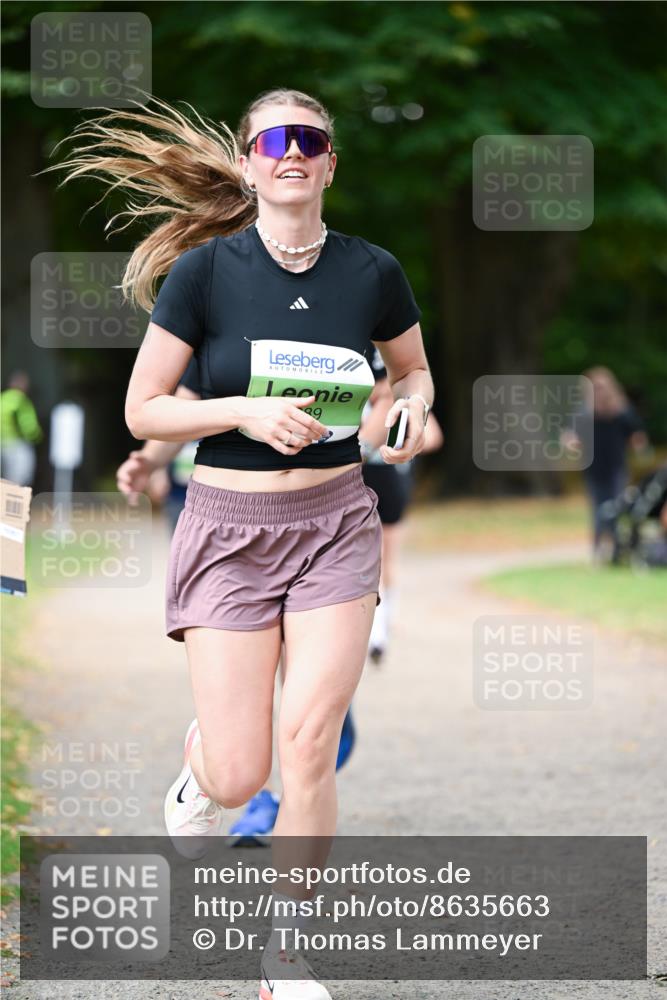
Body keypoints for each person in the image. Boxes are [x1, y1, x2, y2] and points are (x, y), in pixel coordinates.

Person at [53, 89, 434, 999]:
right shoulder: (205, 275)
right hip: (228, 528)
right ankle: (197, 771)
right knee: (239, 772)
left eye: (310, 139)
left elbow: (413, 372)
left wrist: (410, 411)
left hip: (337, 522)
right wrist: (246, 413)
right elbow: (144, 408)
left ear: (330, 162)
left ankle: (285, 958)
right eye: (275, 139)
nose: (292, 153)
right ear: (252, 159)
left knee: (308, 745)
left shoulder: (372, 271)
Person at [116, 358, 357, 848]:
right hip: (222, 513)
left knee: (307, 719)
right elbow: (179, 402)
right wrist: (151, 459)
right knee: (244, 727)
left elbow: (394, 392)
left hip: (332, 520)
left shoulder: (354, 311)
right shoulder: (224, 309)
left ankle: (277, 807)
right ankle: (222, 755)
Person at [360, 348, 444, 662]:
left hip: (387, 479)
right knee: (364, 559)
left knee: (386, 559)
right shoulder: (348, 402)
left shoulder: (400, 402)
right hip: (356, 480)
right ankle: (371, 627)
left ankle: (380, 629)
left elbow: (433, 436)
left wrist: (403, 442)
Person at [561, 366, 648, 563]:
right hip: (593, 469)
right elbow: (568, 435)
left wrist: (639, 446)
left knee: (616, 508)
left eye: (601, 387)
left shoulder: (622, 412)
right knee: (597, 511)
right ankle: (598, 551)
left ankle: (617, 551)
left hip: (617, 468)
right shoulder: (584, 413)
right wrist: (570, 443)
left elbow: (636, 434)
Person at [0, 371, 43, 486]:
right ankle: (14, 502)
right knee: (19, 479)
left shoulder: (3, 399)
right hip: (18, 444)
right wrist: (37, 436)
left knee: (6, 477)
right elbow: (28, 426)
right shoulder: (20, 400)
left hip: (3, 444)